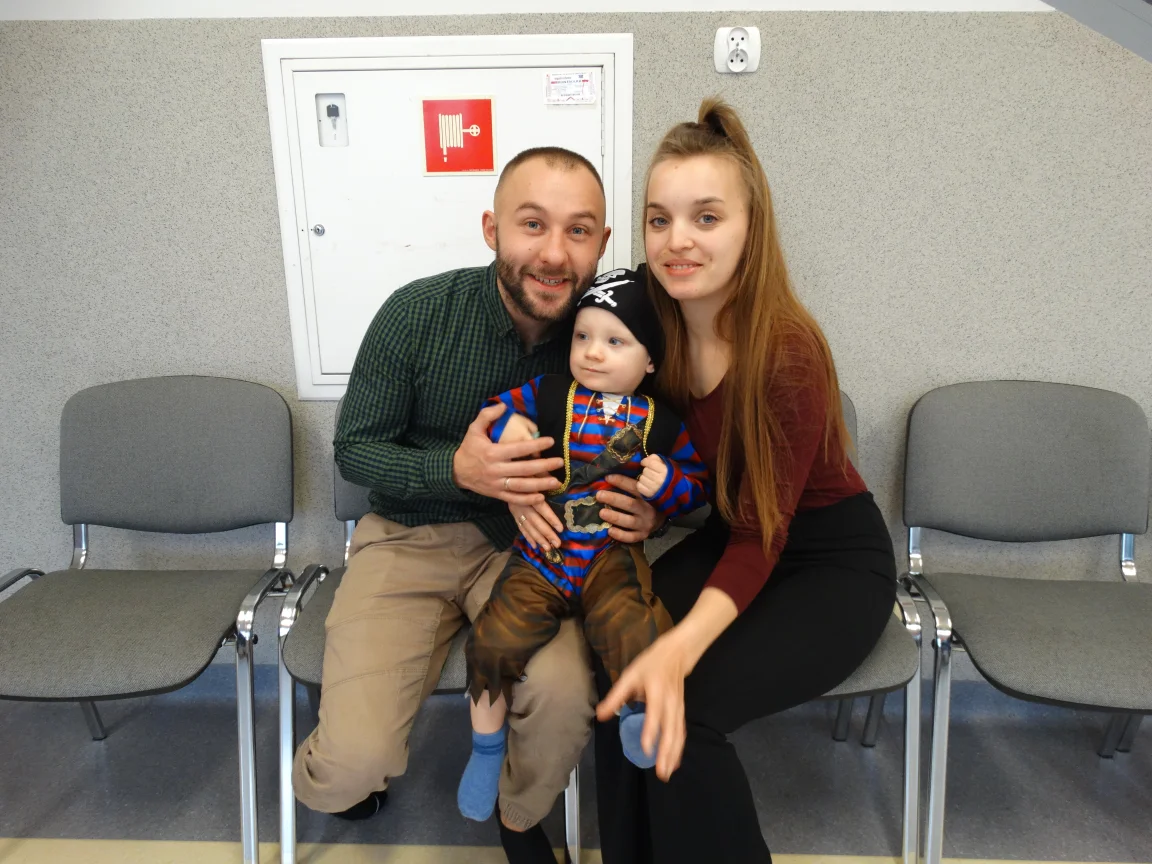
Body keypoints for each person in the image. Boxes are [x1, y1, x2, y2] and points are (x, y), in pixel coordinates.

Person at [292, 146, 662, 864]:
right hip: (408, 537)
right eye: (533, 224)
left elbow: (659, 450)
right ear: (492, 229)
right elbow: (355, 451)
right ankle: (346, 770)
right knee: (351, 766)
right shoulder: (416, 314)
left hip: (535, 548)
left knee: (561, 698)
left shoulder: (611, 335)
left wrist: (653, 511)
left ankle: (519, 817)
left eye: (579, 230)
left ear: (603, 244)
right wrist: (459, 470)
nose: (554, 253)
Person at [592, 99, 899, 863]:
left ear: (750, 229)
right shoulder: (654, 326)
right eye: (659, 219)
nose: (678, 240)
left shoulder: (788, 351)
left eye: (706, 217)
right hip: (737, 536)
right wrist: (653, 510)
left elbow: (766, 532)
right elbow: (689, 469)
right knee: (617, 663)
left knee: (684, 709)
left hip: (829, 562)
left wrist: (679, 648)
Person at [457, 268, 710, 823]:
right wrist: (507, 429)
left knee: (633, 623)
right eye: (582, 336)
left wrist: (667, 485)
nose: (593, 352)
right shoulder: (548, 394)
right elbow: (493, 412)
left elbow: (697, 486)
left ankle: (637, 715)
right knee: (495, 637)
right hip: (541, 552)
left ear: (650, 360)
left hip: (610, 554)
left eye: (615, 341)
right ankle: (486, 748)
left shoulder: (663, 424)